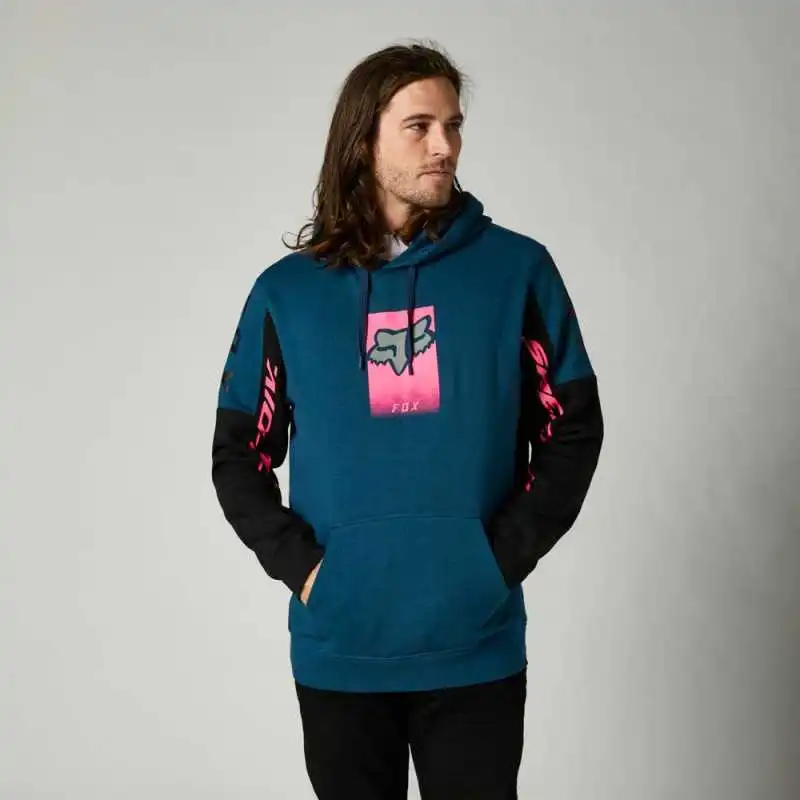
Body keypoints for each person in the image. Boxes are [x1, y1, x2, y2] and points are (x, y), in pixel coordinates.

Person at [211, 40, 604, 800]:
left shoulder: (517, 271)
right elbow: (238, 454)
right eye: (419, 127)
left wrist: (494, 563)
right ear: (364, 141)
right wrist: (309, 573)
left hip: (475, 646)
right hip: (341, 649)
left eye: (453, 126)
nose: (444, 146)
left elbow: (573, 428)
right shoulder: (287, 293)